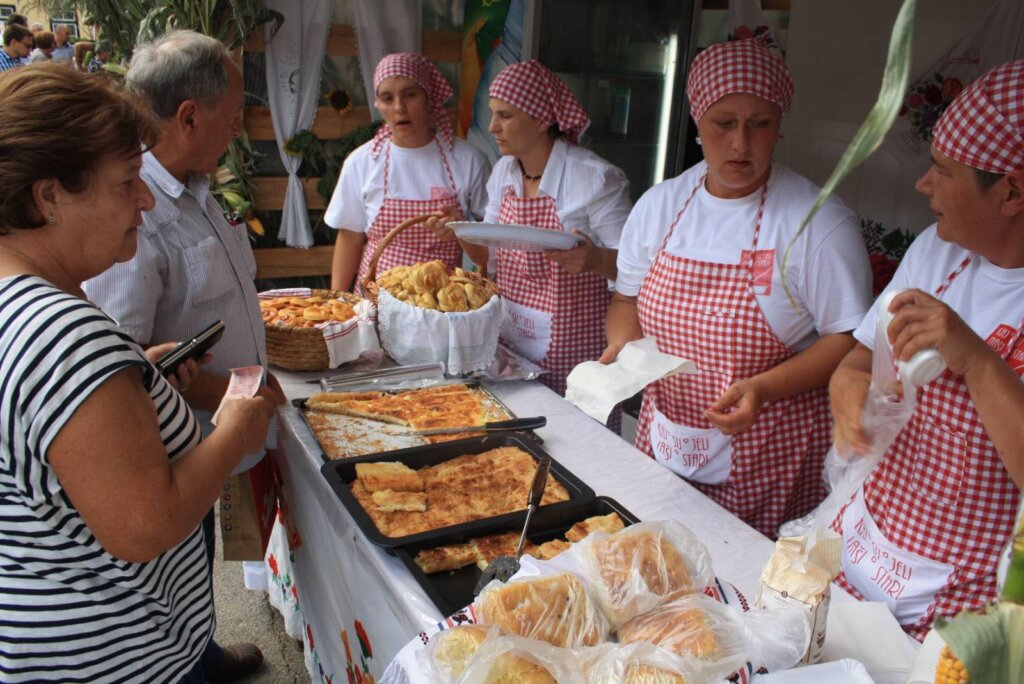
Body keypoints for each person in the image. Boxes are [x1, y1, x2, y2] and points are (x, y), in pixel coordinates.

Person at [0, 63, 273, 683]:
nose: (145, 199)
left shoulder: (22, 305)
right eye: (127, 182)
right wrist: (235, 427)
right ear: (49, 197)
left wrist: (131, 381)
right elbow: (145, 525)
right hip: (113, 658)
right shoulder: (62, 336)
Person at [604, 38, 872, 538]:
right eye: (724, 123)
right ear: (697, 121)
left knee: (742, 593)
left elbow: (849, 340)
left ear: (781, 124)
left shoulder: (817, 223)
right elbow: (626, 300)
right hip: (667, 435)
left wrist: (763, 388)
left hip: (767, 450)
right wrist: (624, 348)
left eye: (760, 124)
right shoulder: (660, 207)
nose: (741, 144)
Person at [83, 30, 283, 681]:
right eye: (229, 121)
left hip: (216, 430)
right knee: (175, 560)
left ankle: (202, 648)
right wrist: (231, 392)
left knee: (201, 557)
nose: (234, 133)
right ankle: (189, 664)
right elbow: (122, 358)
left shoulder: (197, 186)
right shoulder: (133, 212)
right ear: (188, 116)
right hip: (180, 442)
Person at [829, 59, 1024, 640]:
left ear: (1011, 192)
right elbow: (856, 361)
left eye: (942, 171)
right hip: (865, 547)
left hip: (964, 603)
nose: (923, 184)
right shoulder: (935, 254)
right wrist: (849, 396)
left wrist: (977, 360)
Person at [455, 59, 631, 397]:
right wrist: (461, 232)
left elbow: (634, 270)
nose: (493, 127)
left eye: (505, 115)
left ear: (541, 120)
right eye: (493, 113)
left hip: (576, 352)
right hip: (512, 340)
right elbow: (489, 257)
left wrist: (593, 259)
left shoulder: (594, 178)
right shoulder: (504, 173)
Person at [325, 52, 490, 292]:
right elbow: (350, 238)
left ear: (428, 97)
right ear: (377, 103)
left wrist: (461, 227)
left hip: (443, 304)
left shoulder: (468, 160)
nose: (399, 108)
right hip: (377, 302)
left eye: (410, 94)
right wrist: (338, 302)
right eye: (387, 98)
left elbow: (491, 240)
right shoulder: (362, 162)